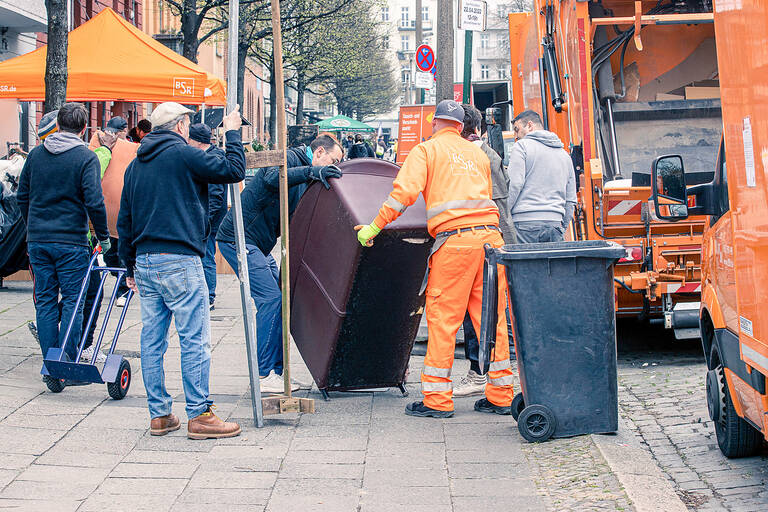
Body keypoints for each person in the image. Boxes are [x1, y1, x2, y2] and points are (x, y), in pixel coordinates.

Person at [355, 99, 514, 418]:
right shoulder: (478, 154)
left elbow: (402, 196)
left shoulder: (426, 151)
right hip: (491, 242)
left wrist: (372, 227)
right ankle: (501, 395)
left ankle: (437, 401)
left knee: (443, 320)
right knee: (492, 319)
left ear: (434, 123)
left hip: (455, 244)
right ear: (461, 125)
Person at [117, 102, 245, 439]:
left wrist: (128, 263)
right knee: (194, 338)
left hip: (144, 260)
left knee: (152, 340)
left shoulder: (136, 165)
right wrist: (232, 131)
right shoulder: (184, 155)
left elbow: (125, 219)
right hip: (180, 259)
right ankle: (200, 414)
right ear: (181, 126)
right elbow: (234, 170)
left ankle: (159, 414)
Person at [216, 134, 343, 394]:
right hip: (237, 238)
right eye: (334, 160)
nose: (336, 166)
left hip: (257, 245)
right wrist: (311, 171)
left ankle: (277, 373)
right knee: (271, 299)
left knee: (282, 301)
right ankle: (264, 375)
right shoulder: (288, 157)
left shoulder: (306, 174)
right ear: (319, 152)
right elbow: (273, 177)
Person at [17, 103, 111, 390]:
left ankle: (50, 365)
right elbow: (94, 201)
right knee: (74, 299)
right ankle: (66, 363)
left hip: (39, 241)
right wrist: (104, 238)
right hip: (71, 241)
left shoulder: (36, 155)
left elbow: (23, 195)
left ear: (57, 124)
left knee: (44, 300)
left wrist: (33, 224)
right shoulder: (85, 157)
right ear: (84, 129)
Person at [453, 104, 516, 397]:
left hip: (479, 245)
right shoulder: (488, 154)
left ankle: (480, 373)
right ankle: (487, 376)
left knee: (480, 313)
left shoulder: (472, 157)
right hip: (490, 243)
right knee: (488, 312)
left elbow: (499, 205)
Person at [89, 116, 138, 308]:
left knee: (117, 251)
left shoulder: (126, 149)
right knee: (112, 252)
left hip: (113, 212)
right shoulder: (99, 147)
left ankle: (122, 286)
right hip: (105, 212)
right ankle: (121, 282)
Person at [507, 110, 576, 243]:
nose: (516, 136)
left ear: (530, 125)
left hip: (524, 225)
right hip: (554, 224)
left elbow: (514, 185)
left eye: (517, 129)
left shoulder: (521, 147)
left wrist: (505, 217)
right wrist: (561, 226)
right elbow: (570, 199)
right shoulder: (564, 155)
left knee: (525, 264)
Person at [187, 123, 227, 310]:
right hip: (207, 218)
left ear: (196, 141)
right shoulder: (211, 156)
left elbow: (215, 196)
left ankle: (209, 296)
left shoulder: (212, 159)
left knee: (206, 256)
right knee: (205, 255)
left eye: (189, 140)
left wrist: (204, 220)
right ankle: (205, 294)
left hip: (208, 220)